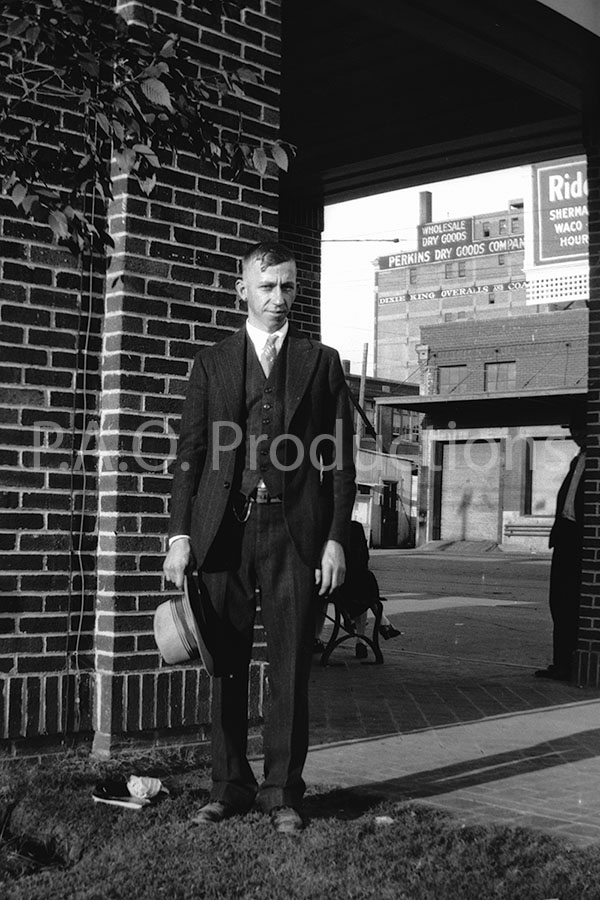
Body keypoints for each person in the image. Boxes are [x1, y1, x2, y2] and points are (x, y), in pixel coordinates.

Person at [163, 241, 356, 834]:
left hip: (295, 533)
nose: (279, 298)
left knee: (292, 665)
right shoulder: (212, 363)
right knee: (224, 660)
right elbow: (190, 457)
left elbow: (343, 461)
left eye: (290, 287)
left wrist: (335, 539)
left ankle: (281, 794)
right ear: (241, 289)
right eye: (268, 286)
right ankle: (228, 786)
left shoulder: (321, 362)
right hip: (224, 528)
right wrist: (178, 536)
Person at [535, 408, 586, 682]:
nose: (575, 436)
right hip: (565, 538)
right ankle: (561, 662)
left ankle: (569, 663)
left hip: (580, 540)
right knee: (559, 602)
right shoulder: (578, 460)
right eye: (572, 431)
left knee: (572, 604)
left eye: (579, 430)